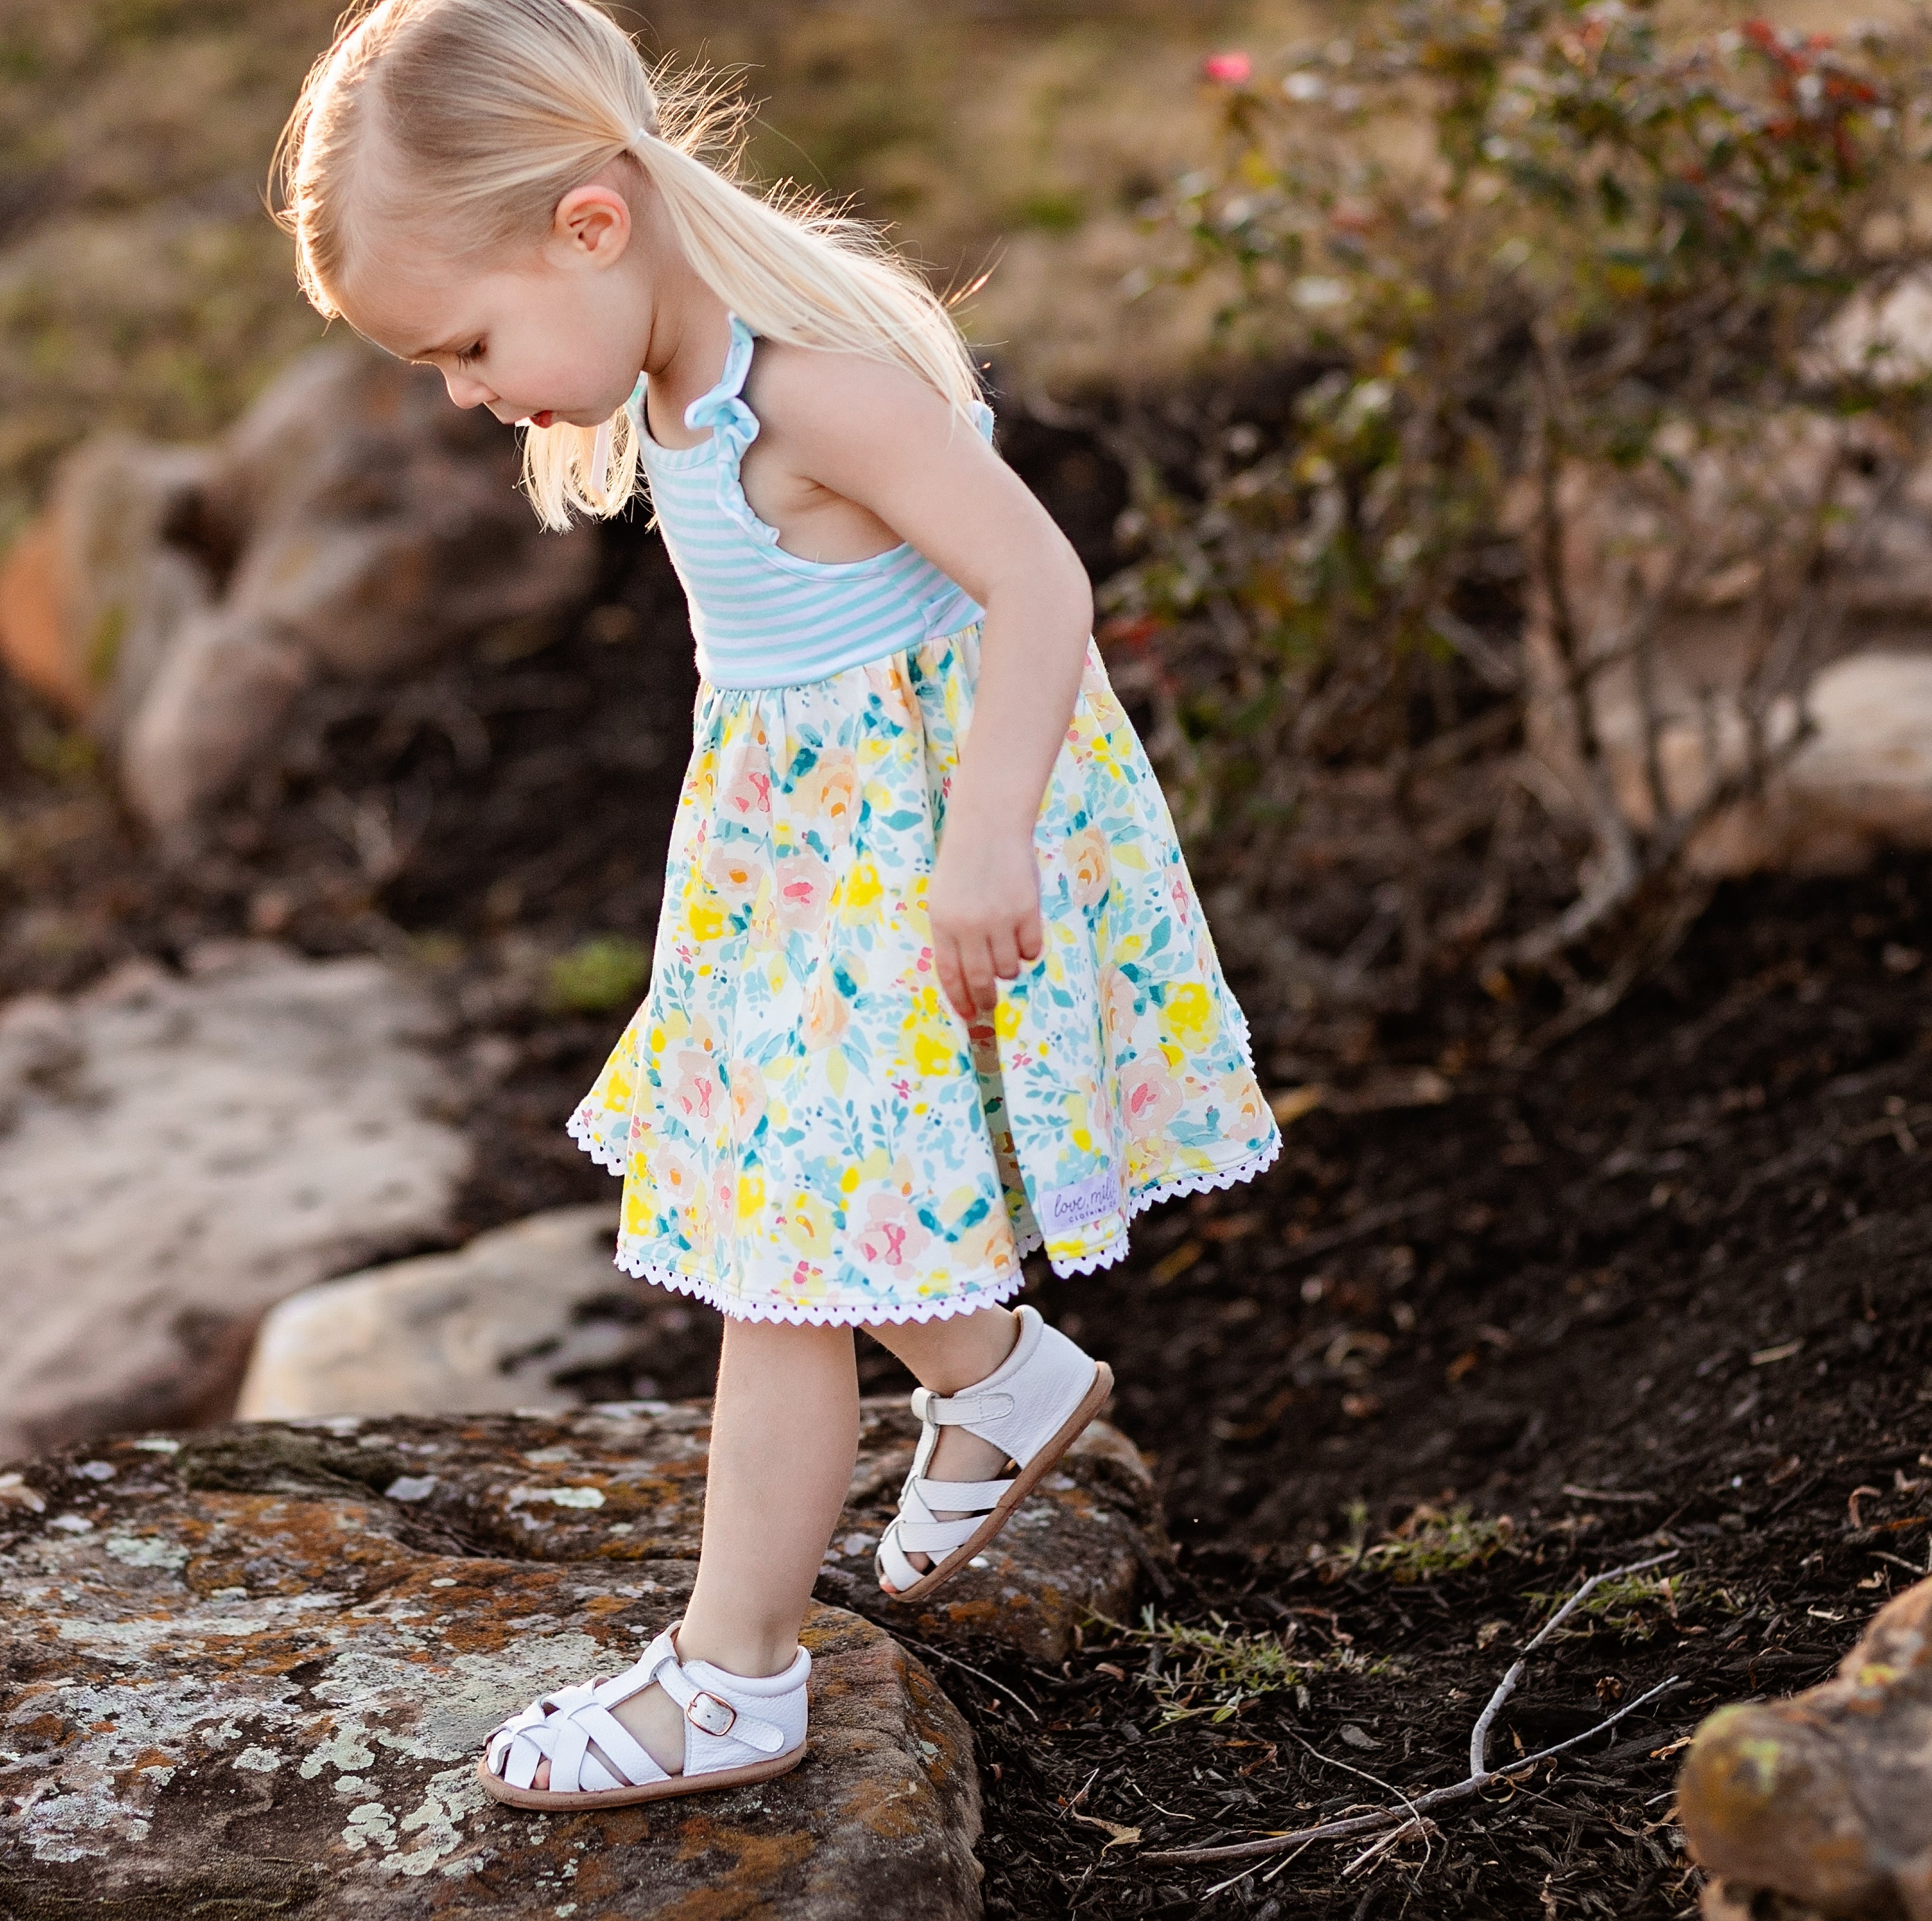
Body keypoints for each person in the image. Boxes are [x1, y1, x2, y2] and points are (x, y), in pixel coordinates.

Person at [273, 0, 1278, 1812]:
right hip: (793, 872)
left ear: (590, 225)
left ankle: (738, 1675)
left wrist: (987, 846)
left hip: (903, 865)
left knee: (780, 1259)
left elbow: (1040, 581)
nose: (462, 391)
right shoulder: (676, 386)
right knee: (783, 1224)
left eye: (467, 343)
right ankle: (989, 1379)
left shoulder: (807, 393)